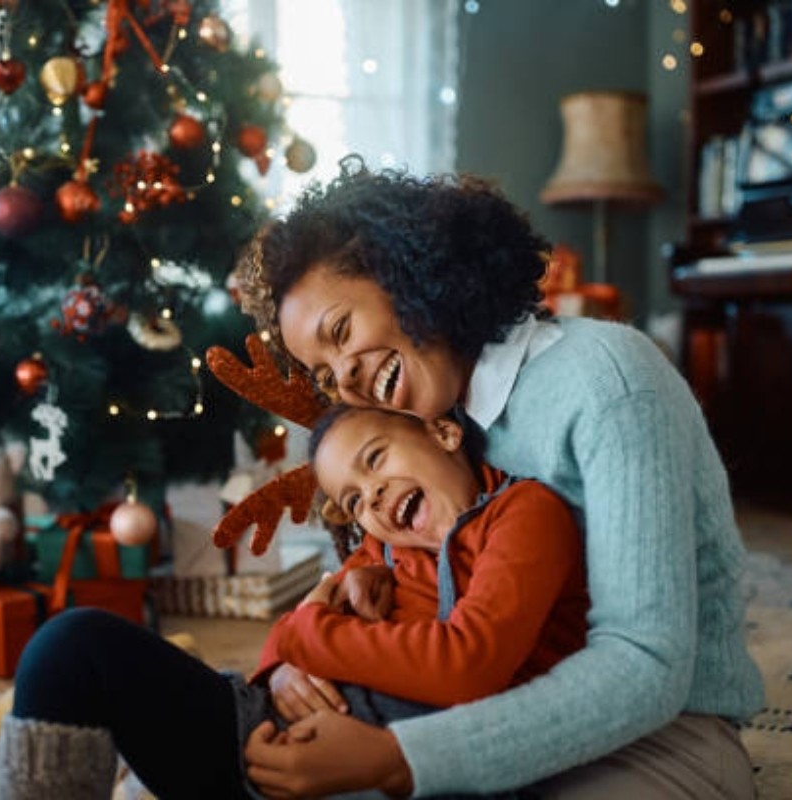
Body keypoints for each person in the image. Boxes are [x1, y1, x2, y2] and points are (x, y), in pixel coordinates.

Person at [234, 157, 764, 799]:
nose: (343, 379)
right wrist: (289, 665)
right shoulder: (435, 417)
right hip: (476, 712)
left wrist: (402, 758)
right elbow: (366, 577)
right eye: (324, 374)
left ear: (402, 272)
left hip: (658, 737)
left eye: (341, 333)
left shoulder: (609, 380)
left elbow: (646, 666)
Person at [0, 402, 590, 799]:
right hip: (266, 739)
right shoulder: (384, 546)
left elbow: (470, 663)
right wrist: (282, 663)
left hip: (401, 769)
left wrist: (308, 631)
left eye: (376, 458)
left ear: (443, 431)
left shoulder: (522, 512)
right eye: (354, 503)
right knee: (72, 645)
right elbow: (290, 635)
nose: (374, 499)